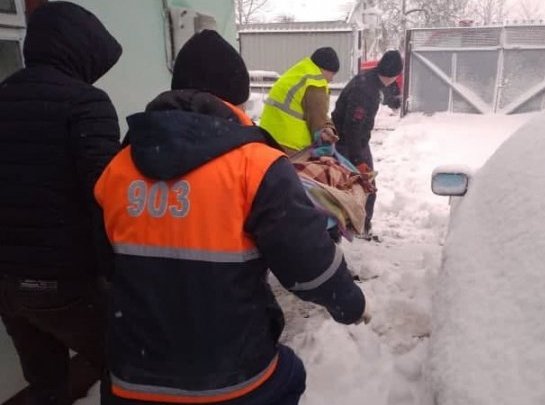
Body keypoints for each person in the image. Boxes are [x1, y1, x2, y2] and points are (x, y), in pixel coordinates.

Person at [94, 30, 368, 405]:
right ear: (236, 101)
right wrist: (350, 304)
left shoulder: (117, 168)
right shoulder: (255, 166)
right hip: (231, 381)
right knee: (291, 375)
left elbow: (101, 262)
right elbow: (309, 265)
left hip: (132, 380)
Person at [0, 2, 122, 404]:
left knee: (46, 383)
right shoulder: (87, 103)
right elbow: (105, 195)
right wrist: (118, 272)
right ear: (78, 50)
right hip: (68, 282)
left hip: (7, 284)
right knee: (123, 367)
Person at [331, 50, 403, 239]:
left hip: (355, 139)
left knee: (358, 185)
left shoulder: (372, 79)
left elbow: (388, 88)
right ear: (391, 74)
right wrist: (357, 158)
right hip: (348, 142)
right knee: (365, 185)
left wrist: (395, 94)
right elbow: (352, 126)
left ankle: (357, 225)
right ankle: (359, 227)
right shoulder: (365, 91)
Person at [260, 47, 340, 154]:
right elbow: (318, 121)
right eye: (332, 74)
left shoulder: (300, 71)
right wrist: (327, 135)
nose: (331, 79)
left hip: (268, 137)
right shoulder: (316, 82)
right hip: (288, 144)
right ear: (325, 69)